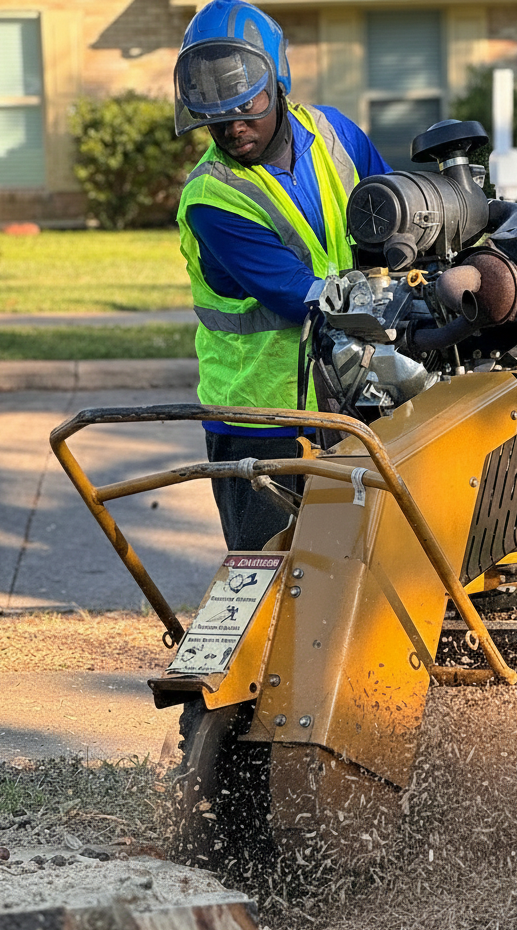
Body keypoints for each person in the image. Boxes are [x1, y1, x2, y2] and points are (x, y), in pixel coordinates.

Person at [174, 0, 391, 551]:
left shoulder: (335, 133)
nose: (234, 127)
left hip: (348, 402)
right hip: (258, 421)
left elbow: (394, 219)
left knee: (357, 573)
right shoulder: (212, 198)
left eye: (248, 106)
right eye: (217, 117)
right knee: (268, 581)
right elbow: (301, 295)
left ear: (279, 82)